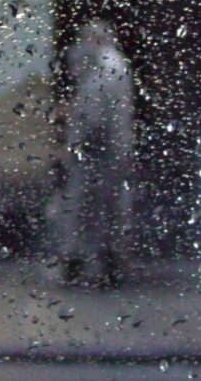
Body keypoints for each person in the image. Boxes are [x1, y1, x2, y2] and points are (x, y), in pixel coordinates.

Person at [50, 20, 137, 286]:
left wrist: (73, 144)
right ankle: (104, 260)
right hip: (108, 149)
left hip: (99, 151)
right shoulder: (110, 66)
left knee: (88, 207)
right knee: (106, 207)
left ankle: (89, 261)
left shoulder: (107, 69)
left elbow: (93, 115)